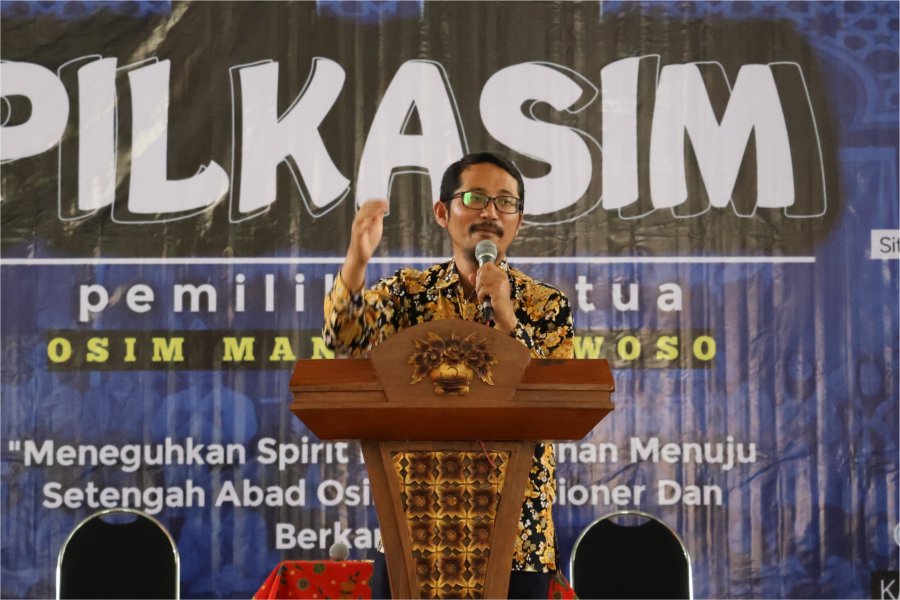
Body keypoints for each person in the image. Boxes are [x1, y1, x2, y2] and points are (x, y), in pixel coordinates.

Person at [323, 152, 574, 599]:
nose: (491, 212)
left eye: (505, 202)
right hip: (415, 526)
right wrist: (356, 264)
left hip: (517, 534)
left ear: (518, 220)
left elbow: (557, 400)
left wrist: (508, 319)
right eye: (475, 198)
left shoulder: (545, 305)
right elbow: (346, 339)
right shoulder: (409, 294)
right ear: (443, 212)